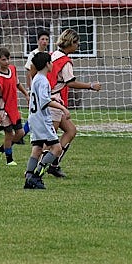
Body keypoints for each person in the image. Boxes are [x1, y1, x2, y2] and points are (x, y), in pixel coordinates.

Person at [47, 29, 102, 178]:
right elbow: (70, 83)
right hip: (53, 101)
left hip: (49, 100)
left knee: (71, 131)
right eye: (77, 43)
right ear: (70, 43)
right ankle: (34, 170)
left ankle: (54, 164)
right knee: (49, 140)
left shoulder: (52, 56)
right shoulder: (65, 62)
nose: (78, 46)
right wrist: (90, 86)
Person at [24, 51, 70, 190]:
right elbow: (44, 101)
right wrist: (63, 108)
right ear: (47, 64)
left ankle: (29, 178)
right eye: (51, 62)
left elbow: (40, 97)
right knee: (57, 148)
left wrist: (53, 97)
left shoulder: (37, 78)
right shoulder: (44, 80)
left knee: (37, 149)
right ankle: (37, 176)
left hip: (34, 118)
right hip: (43, 120)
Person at [0, 47, 28, 166]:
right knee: (9, 134)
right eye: (3, 60)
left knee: (20, 133)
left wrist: (26, 94)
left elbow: (17, 83)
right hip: (2, 110)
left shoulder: (12, 69)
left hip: (13, 108)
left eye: (8, 59)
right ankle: (9, 160)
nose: (6, 62)